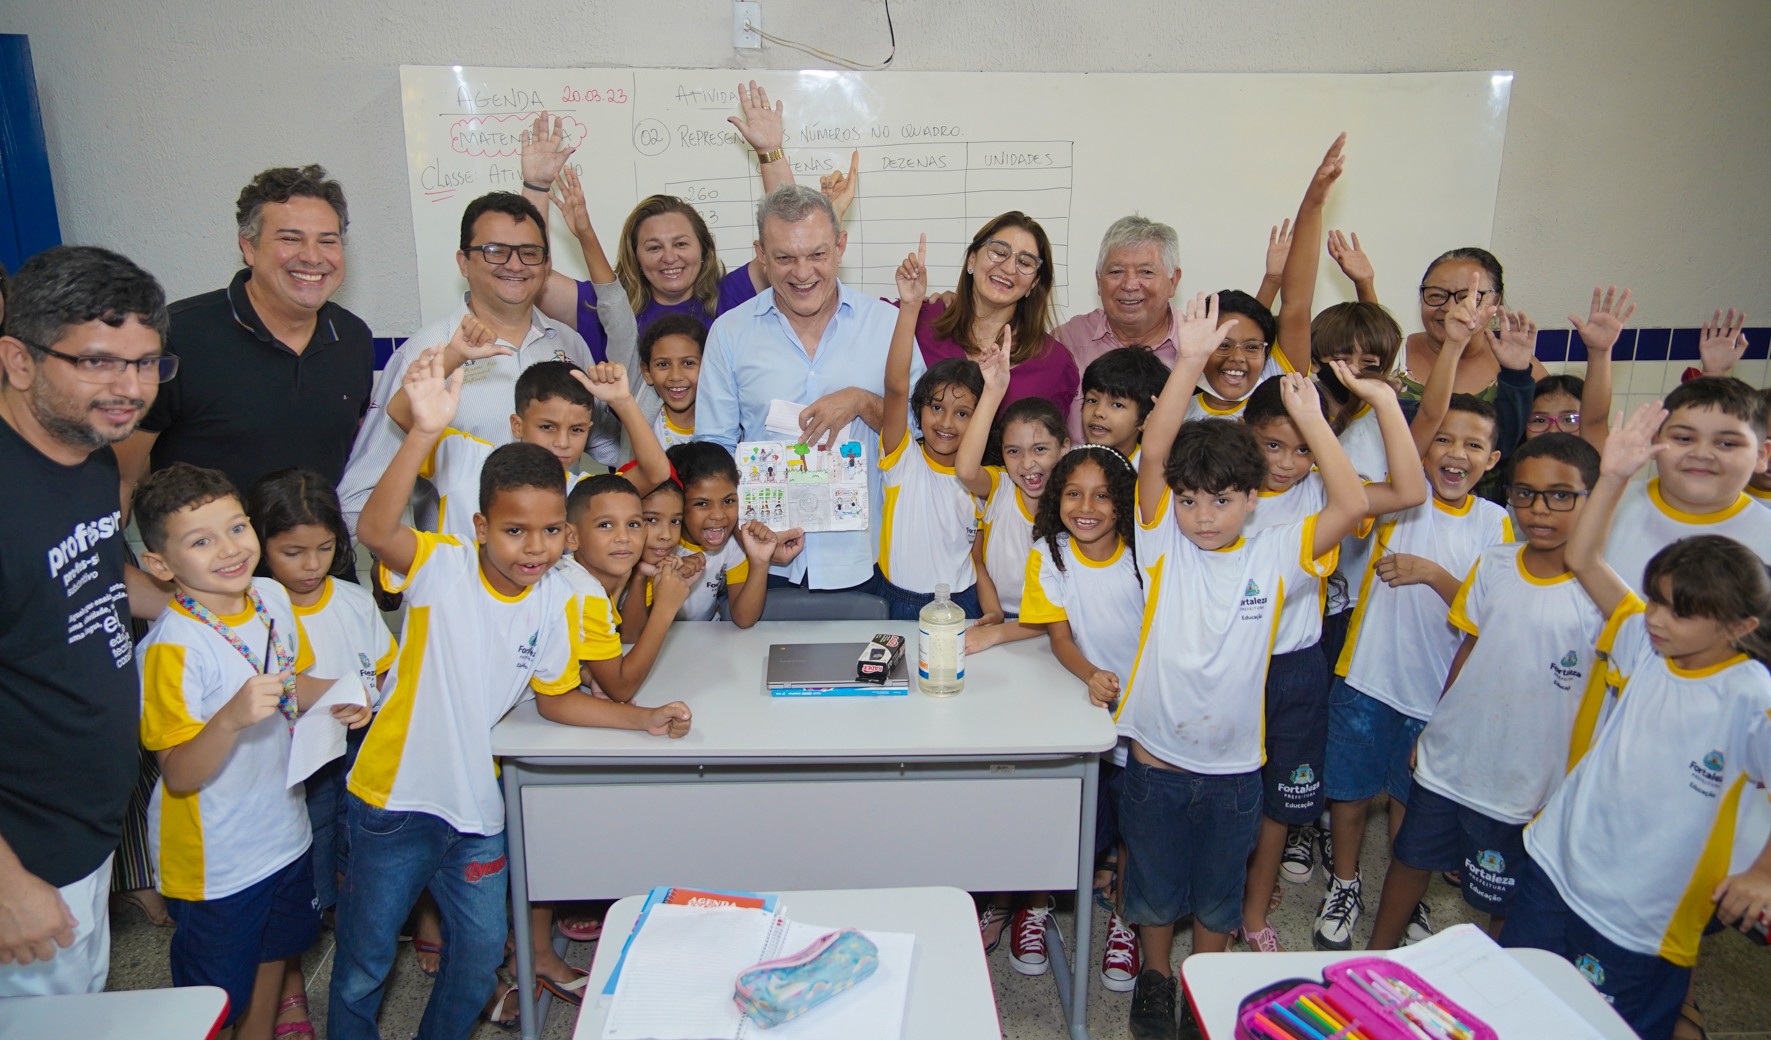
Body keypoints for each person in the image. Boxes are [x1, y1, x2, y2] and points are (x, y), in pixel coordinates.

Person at [331, 350, 690, 1040]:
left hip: (477, 807)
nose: (535, 547)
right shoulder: (444, 568)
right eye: (515, 531)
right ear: (479, 529)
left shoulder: (556, 595)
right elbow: (376, 532)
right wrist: (422, 432)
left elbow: (556, 699)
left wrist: (640, 718)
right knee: (364, 966)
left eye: (552, 531)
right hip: (393, 800)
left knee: (473, 963)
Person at [1119, 293, 1367, 1040]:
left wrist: (1315, 420)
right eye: (1191, 500)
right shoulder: (1160, 540)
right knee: (1156, 887)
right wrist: (1188, 360)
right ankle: (1157, 979)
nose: (1201, 514)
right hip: (1156, 756)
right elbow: (1158, 451)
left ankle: (1208, 984)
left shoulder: (1276, 552)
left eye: (1221, 500)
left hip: (1233, 766)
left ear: (1250, 502)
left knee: (1220, 895)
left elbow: (1351, 502)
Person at [1502, 401, 1771, 1040]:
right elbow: (1585, 557)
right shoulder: (1645, 644)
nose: (1656, 617)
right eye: (1654, 599)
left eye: (1679, 612)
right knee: (1517, 996)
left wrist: (1761, 873)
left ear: (1740, 627)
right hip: (1559, 863)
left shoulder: (1749, 695)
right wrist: (1616, 473)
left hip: (1641, 914)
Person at [133, 463, 371, 1040]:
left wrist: (343, 694)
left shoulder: (267, 596)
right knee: (214, 997)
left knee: (274, 956)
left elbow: (287, 683)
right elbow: (182, 773)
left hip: (283, 834)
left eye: (236, 528)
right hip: (218, 861)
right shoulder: (173, 648)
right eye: (200, 541)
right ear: (160, 566)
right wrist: (231, 718)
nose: (228, 550)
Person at [0, 246, 171, 995]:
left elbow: (100, 578)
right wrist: (8, 882)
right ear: (18, 359)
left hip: (83, 834)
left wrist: (212, 615)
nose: (129, 391)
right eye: (99, 363)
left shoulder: (89, 451)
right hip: (24, 857)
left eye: (145, 363)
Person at [1366, 433, 1606, 950]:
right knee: (1410, 859)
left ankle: (1503, 980)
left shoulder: (1604, 594)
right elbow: (1469, 650)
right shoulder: (1495, 563)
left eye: (1560, 495)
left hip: (1528, 780)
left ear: (1595, 497)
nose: (1539, 509)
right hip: (1452, 758)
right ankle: (1376, 957)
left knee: (1506, 896)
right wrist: (1432, 729)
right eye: (1525, 493)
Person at [1236, 367, 1426, 953]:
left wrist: (1382, 403)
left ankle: (1253, 912)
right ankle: (1222, 896)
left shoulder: (1328, 489)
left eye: (1302, 448)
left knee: (1277, 804)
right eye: (1273, 444)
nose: (1287, 462)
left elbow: (1410, 492)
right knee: (1227, 790)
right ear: (1245, 434)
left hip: (1295, 665)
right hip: (1229, 667)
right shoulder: (1222, 490)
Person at [1315, 394, 1513, 952]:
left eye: (1473, 445)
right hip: (1369, 678)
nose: (1455, 454)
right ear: (1422, 447)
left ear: (1492, 460)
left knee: (1412, 803)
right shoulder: (1400, 500)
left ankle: (1407, 897)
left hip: (1438, 698)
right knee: (1350, 794)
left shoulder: (1496, 525)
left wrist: (1432, 574)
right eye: (1444, 439)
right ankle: (1345, 882)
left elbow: (1491, 616)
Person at [336, 191, 600, 533]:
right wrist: (400, 565)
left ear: (546, 264)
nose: (515, 264)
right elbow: (359, 496)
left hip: (554, 569)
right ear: (464, 262)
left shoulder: (569, 345)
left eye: (529, 253)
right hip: (459, 572)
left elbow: (608, 448)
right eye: (495, 251)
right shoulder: (427, 354)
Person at [697, 184, 912, 592]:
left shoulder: (887, 326)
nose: (802, 272)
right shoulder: (729, 333)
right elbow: (714, 452)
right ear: (761, 254)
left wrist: (863, 402)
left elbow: (923, 438)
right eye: (784, 258)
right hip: (763, 563)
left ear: (840, 246)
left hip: (871, 560)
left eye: (817, 254)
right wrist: (748, 534)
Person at [245, 467, 395, 1036]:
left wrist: (373, 703)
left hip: (355, 754)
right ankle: (288, 991)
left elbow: (383, 672)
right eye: (292, 551)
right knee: (297, 877)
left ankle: (345, 925)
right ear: (260, 545)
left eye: (324, 548)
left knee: (351, 852)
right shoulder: (256, 610)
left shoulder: (354, 601)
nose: (311, 565)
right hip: (290, 765)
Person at [119, 165, 373, 502]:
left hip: (322, 554)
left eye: (328, 241)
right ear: (249, 247)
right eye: (290, 238)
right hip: (209, 553)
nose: (312, 257)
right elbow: (123, 475)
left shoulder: (353, 338)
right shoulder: (176, 335)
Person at [1016, 444, 1144, 991]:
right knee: (1071, 820)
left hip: (1144, 714)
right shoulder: (1049, 552)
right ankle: (1035, 904)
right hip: (1084, 703)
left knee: (1137, 826)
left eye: (1102, 495)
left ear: (1124, 505)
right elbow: (1060, 636)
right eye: (1073, 493)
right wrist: (1091, 674)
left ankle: (1125, 919)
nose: (1085, 506)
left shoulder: (1147, 554)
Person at [874, 235, 987, 620]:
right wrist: (909, 307)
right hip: (898, 601)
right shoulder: (903, 458)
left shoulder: (982, 479)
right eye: (936, 407)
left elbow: (979, 558)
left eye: (962, 413)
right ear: (920, 409)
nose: (945, 422)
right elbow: (894, 386)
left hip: (963, 600)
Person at [1599, 376, 1771, 593]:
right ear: (1655, 440)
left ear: (1761, 455)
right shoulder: (1604, 506)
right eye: (1684, 438)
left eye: (1727, 443)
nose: (1701, 454)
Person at [909, 211, 1077, 417]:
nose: (1008, 268)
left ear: (1034, 283)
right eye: (998, 251)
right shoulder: (919, 320)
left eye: (1024, 262)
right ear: (972, 259)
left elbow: (1050, 443)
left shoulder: (1054, 363)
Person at [957, 383, 1069, 653]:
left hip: (1057, 629)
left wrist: (997, 634)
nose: (1027, 463)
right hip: (999, 620)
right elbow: (966, 471)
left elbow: (1063, 609)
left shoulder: (1076, 507)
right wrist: (994, 612)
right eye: (1014, 451)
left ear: (1064, 447)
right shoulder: (1002, 487)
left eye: (1040, 449)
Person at [1051, 216, 1183, 442]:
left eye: (1146, 272)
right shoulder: (1066, 340)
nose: (1130, 284)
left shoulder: (1198, 347)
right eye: (1116, 272)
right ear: (1098, 280)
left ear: (1173, 281)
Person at [640, 441, 800, 626]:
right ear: (678, 503)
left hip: (707, 639)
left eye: (728, 501)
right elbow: (633, 631)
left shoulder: (733, 545)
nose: (718, 515)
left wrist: (759, 562)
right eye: (701, 504)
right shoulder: (658, 544)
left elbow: (744, 619)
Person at [1077, 346, 1170, 467]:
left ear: (1147, 416)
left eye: (1117, 405)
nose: (1098, 412)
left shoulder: (1154, 469)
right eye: (1092, 400)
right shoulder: (1070, 463)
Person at [639, 313, 705, 448]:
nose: (675, 376)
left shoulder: (725, 423)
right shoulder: (640, 420)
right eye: (663, 364)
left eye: (688, 363)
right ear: (647, 373)